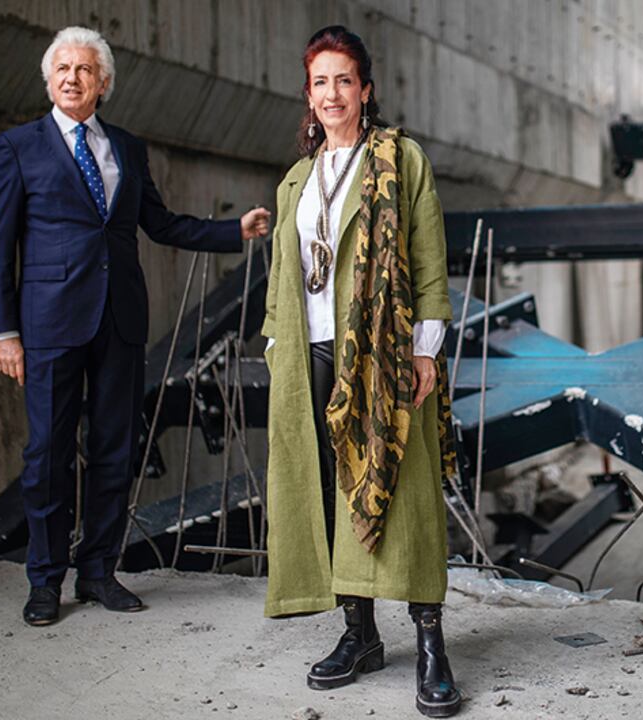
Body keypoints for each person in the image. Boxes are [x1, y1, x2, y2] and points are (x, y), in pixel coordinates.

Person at [0, 26, 271, 627]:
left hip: (119, 321)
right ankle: (44, 581)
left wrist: (230, 231)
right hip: (49, 325)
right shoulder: (18, 147)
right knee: (48, 457)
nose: (71, 78)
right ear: (47, 78)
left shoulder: (127, 148)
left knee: (116, 452)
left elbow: (160, 225)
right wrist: (4, 332)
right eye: (61, 68)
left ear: (103, 83)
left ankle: (98, 573)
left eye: (84, 70)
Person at [260, 25, 461, 718]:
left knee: (403, 493)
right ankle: (360, 634)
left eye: (344, 79)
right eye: (320, 82)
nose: (332, 93)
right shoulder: (296, 180)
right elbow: (282, 275)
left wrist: (426, 347)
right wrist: (274, 346)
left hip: (381, 354)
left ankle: (431, 644)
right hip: (309, 353)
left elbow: (430, 260)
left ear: (366, 90)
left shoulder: (401, 161)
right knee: (330, 491)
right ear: (308, 94)